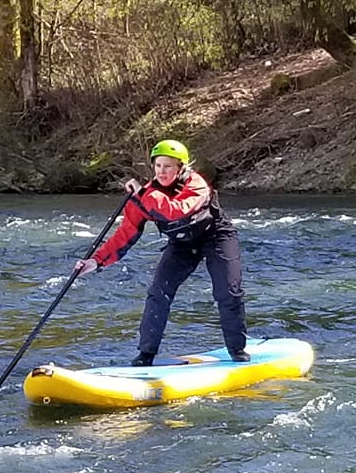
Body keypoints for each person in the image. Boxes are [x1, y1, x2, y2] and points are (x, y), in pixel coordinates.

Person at [73, 139, 248, 366]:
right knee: (158, 292)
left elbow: (175, 211)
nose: (162, 172)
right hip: (182, 243)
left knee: (228, 290)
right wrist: (96, 262)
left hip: (216, 236)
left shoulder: (196, 184)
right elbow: (125, 235)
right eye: (158, 166)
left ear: (181, 168)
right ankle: (145, 355)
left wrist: (143, 194)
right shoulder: (145, 195)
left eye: (168, 166)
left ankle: (237, 349)